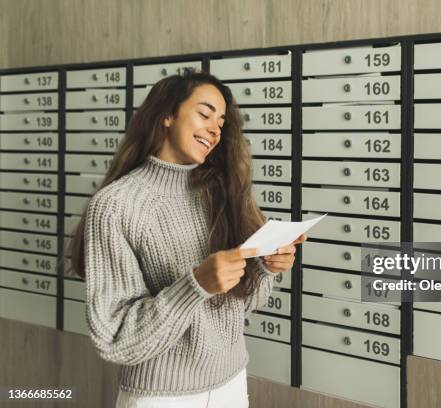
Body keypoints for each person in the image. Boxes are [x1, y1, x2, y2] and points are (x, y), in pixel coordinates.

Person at [68, 70, 305, 407]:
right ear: (167, 115)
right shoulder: (115, 206)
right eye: (204, 113)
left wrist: (266, 268)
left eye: (221, 123)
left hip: (232, 385)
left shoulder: (218, 193)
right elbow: (115, 339)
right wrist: (196, 285)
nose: (214, 129)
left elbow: (241, 306)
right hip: (161, 396)